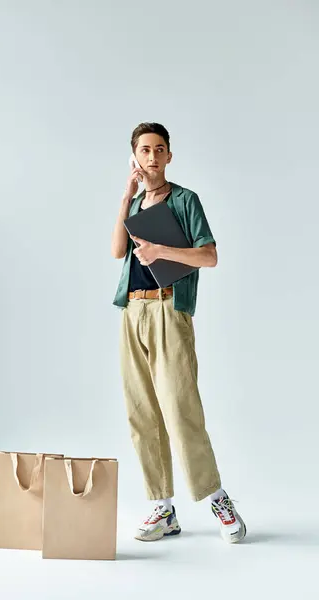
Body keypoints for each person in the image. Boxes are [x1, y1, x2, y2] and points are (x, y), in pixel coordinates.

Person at [111, 122, 246, 544]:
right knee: (142, 412)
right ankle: (162, 506)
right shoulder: (133, 205)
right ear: (135, 156)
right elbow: (118, 250)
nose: (152, 157)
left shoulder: (185, 200)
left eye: (159, 149)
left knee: (180, 407)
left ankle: (218, 498)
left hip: (170, 309)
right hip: (133, 310)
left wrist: (162, 251)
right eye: (144, 150)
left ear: (169, 156)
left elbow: (210, 256)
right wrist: (126, 195)